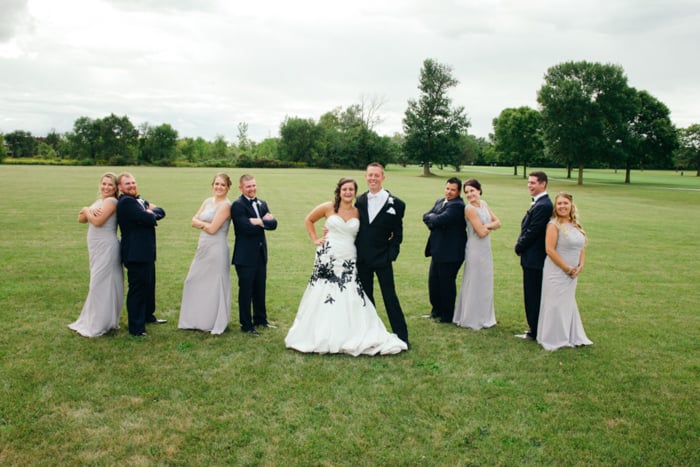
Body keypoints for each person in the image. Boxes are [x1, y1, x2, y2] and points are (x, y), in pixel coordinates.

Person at [285, 178, 408, 356]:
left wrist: (386, 237)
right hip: (327, 256)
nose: (348, 192)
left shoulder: (359, 211)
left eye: (351, 189)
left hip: (349, 257)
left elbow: (370, 230)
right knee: (323, 291)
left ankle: (348, 331)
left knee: (348, 292)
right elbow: (309, 220)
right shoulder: (328, 207)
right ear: (339, 191)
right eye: (345, 189)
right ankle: (320, 333)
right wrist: (315, 239)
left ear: (355, 192)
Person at [355, 163, 409, 346]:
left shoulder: (397, 204)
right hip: (362, 258)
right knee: (366, 298)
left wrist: (391, 255)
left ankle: (401, 335)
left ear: (383, 177)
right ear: (366, 176)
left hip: (383, 259)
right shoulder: (359, 201)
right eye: (370, 175)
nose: (373, 179)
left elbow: (398, 234)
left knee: (390, 296)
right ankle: (370, 334)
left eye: (376, 175)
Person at [68, 173, 123, 337]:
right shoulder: (100, 201)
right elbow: (81, 220)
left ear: (115, 188)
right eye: (104, 184)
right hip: (95, 247)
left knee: (99, 283)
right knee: (98, 281)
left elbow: (97, 222)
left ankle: (100, 323)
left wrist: (86, 209)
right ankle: (99, 319)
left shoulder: (111, 201)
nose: (106, 187)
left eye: (110, 185)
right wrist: (89, 213)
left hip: (107, 246)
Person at [537, 193, 593, 350]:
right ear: (555, 207)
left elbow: (581, 247)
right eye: (559, 203)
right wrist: (566, 268)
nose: (562, 206)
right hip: (556, 270)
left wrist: (580, 265)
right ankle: (553, 337)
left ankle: (570, 334)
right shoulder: (553, 225)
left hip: (572, 273)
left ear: (571, 205)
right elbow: (549, 249)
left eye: (565, 203)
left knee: (567, 303)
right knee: (554, 303)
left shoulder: (575, 224)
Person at [178, 173, 233, 335]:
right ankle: (196, 319)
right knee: (193, 280)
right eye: (216, 184)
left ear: (228, 187)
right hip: (203, 246)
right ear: (212, 185)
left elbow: (212, 228)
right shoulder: (207, 201)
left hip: (217, 247)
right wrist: (201, 224)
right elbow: (192, 219)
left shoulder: (226, 205)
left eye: (223, 185)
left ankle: (212, 321)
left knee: (214, 284)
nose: (219, 187)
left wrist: (199, 224)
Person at [116, 172, 166, 337]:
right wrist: (149, 214)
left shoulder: (140, 201)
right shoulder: (125, 202)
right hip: (135, 253)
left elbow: (161, 211)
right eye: (127, 183)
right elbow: (148, 219)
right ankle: (136, 327)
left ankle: (148, 316)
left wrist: (151, 213)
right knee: (137, 288)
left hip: (146, 251)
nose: (131, 185)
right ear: (120, 187)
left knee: (149, 285)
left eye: (133, 182)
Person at [231, 174, 278, 335]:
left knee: (260, 287)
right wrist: (263, 221)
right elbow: (245, 228)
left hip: (260, 254)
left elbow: (274, 224)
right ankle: (246, 324)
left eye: (253, 185)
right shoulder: (237, 205)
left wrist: (257, 221)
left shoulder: (262, 203)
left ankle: (260, 319)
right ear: (241, 188)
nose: (252, 189)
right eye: (248, 186)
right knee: (246, 291)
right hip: (244, 256)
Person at [453, 178, 501, 330]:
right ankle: (470, 317)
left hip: (486, 249)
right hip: (475, 248)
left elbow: (498, 222)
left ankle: (484, 316)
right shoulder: (469, 209)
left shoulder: (484, 204)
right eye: (467, 192)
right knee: (474, 281)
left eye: (472, 191)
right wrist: (487, 227)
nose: (469, 194)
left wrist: (486, 225)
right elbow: (480, 233)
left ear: (479, 190)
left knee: (485, 281)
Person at [422, 177, 467, 323]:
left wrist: (433, 219)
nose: (449, 192)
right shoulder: (440, 201)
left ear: (459, 192)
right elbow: (426, 216)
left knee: (446, 284)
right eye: (447, 188)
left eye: (453, 190)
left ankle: (447, 315)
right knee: (434, 282)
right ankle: (436, 311)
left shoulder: (458, 206)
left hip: (451, 252)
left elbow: (439, 220)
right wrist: (433, 219)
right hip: (438, 250)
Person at [514, 171, 553, 340]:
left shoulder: (544, 205)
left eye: (533, 183)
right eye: (529, 182)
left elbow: (533, 231)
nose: (530, 185)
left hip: (534, 258)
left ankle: (535, 330)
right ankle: (535, 328)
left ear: (543, 184)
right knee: (533, 294)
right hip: (532, 257)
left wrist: (519, 246)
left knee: (533, 295)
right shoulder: (540, 203)